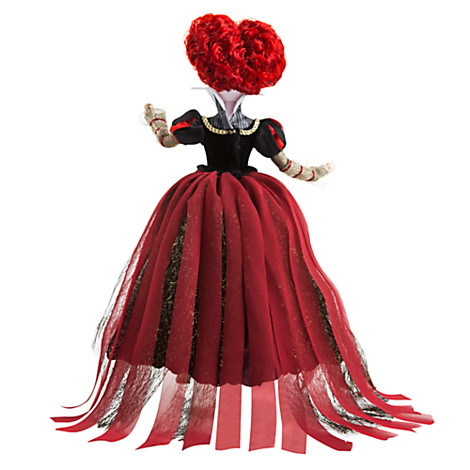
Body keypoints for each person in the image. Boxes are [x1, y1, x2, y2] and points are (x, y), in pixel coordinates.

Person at [53, 13, 433, 453]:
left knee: (259, 279)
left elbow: (284, 164)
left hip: (248, 206)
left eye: (236, 84)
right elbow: (174, 142)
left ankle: (245, 354)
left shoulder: (260, 128)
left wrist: (313, 172)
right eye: (222, 82)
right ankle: (203, 353)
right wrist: (157, 122)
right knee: (199, 276)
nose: (228, 92)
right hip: (206, 204)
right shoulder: (200, 122)